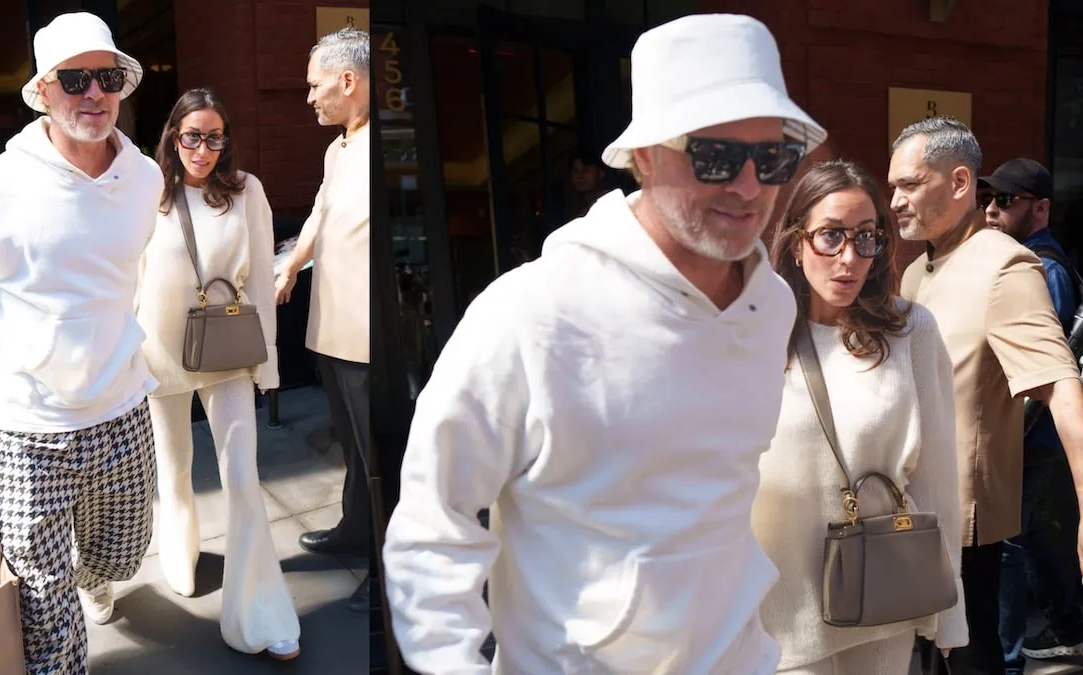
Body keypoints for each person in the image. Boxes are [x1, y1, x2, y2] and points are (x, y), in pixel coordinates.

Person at [383, 14, 827, 674]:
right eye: (714, 155)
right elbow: (433, 523)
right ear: (644, 155)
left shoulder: (773, 305)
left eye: (772, 157)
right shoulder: (531, 312)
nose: (748, 186)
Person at [0, 12, 160, 671]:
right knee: (45, 610)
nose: (93, 93)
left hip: (123, 415)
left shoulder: (144, 181)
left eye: (106, 76)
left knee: (123, 553)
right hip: (27, 434)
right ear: (43, 91)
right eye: (74, 78)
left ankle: (91, 575)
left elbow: (129, 275)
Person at [753, 159, 967, 673]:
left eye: (866, 237)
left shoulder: (909, 330)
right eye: (830, 236)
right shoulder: (756, 332)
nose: (849, 258)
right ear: (796, 241)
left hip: (880, 601)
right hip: (774, 612)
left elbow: (936, 476)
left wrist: (950, 609)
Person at [891, 117, 1083, 675]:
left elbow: (1060, 385)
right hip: (911, 518)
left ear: (958, 184)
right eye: (894, 185)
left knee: (970, 662)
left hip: (964, 527)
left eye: (909, 184)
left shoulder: (1006, 266)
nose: (895, 200)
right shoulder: (915, 273)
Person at [136, 87, 301, 661]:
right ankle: (179, 555)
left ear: (226, 140)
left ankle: (261, 612)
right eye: (191, 137)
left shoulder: (246, 192)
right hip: (158, 353)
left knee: (242, 477)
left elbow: (259, 281)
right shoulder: (146, 190)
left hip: (228, 351)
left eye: (213, 137)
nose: (202, 149)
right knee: (174, 470)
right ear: (173, 136)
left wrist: (269, 364)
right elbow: (129, 273)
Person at [274, 27, 371, 612]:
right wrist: (290, 266)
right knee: (354, 451)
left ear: (348, 81)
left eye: (315, 86)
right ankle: (355, 531)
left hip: (366, 337)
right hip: (331, 329)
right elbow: (319, 210)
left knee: (379, 455)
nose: (309, 97)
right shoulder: (338, 149)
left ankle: (386, 573)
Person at [980, 158, 1083, 671]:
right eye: (989, 200)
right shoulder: (1022, 263)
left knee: (1011, 547)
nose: (992, 210)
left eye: (1007, 201)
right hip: (1026, 440)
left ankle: (1016, 656)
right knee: (1027, 542)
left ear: (1040, 208)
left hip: (1031, 438)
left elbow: (1044, 366)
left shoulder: (1046, 270)